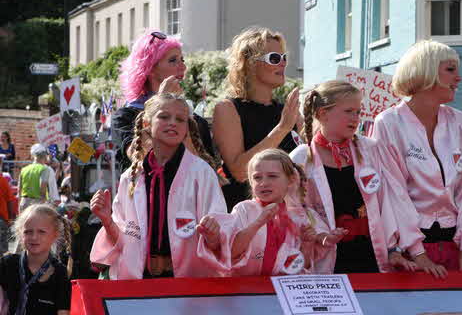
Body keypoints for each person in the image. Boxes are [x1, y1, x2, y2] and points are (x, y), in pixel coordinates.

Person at [373, 40, 462, 279]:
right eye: (450, 70)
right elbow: (393, 192)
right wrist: (417, 252)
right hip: (408, 255)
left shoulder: (461, 122)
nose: (459, 78)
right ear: (424, 71)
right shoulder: (389, 123)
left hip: (455, 248)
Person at [90, 94, 227, 279]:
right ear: (147, 123)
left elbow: (220, 235)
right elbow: (123, 240)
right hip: (141, 280)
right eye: (164, 116)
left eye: (180, 119)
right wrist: (107, 220)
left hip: (189, 282)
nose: (172, 123)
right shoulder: (130, 176)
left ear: (187, 128)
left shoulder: (202, 173)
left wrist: (213, 233)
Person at [292, 80, 411, 274]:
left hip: (371, 255)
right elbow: (296, 208)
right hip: (328, 257)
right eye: (348, 111)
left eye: (358, 112)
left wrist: (393, 248)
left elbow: (387, 201)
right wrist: (323, 234)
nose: (356, 118)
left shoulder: (370, 149)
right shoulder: (301, 158)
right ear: (323, 114)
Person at [213, 27, 301, 211]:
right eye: (274, 58)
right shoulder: (228, 109)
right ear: (250, 63)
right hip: (248, 218)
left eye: (284, 58)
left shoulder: (287, 110)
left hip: (289, 217)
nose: (283, 64)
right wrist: (282, 129)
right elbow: (239, 171)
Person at [112, 30, 214, 173]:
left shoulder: (196, 120)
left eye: (182, 60)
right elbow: (144, 156)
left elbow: (202, 171)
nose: (183, 67)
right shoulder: (124, 117)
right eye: (173, 60)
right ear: (150, 68)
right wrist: (161, 103)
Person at [224, 149, 332, 275]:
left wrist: (307, 245)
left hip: (280, 291)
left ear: (291, 180)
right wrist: (259, 223)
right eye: (257, 177)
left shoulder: (297, 217)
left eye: (272, 176)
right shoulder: (244, 209)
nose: (264, 183)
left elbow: (299, 266)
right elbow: (231, 252)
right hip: (246, 290)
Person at [0, 204, 70, 315]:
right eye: (28, 232)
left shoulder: (60, 272)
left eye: (41, 232)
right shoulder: (8, 264)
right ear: (20, 234)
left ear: (55, 235)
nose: (34, 237)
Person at [18, 144, 58, 212]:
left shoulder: (24, 169)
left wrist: (20, 204)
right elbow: (43, 189)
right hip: (37, 204)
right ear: (45, 157)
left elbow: (19, 189)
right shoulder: (45, 169)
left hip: (24, 202)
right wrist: (45, 205)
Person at [0, 157, 14, 254]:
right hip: (1, 219)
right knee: (2, 251)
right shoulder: (2, 180)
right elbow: (10, 201)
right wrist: (11, 219)